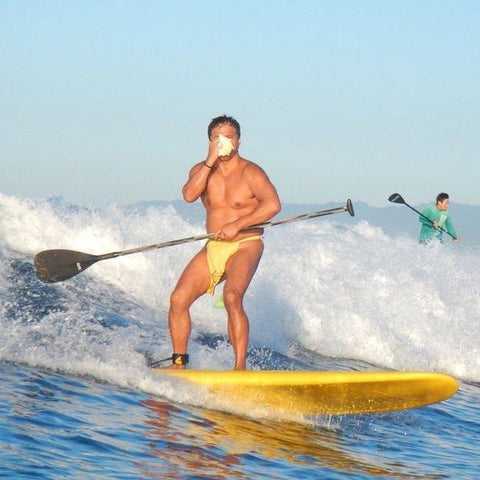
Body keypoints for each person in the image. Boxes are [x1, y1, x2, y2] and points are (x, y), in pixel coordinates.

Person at [166, 115, 281, 370]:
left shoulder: (251, 172)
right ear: (210, 141)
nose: (224, 142)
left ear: (238, 141)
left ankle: (240, 368)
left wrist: (237, 225)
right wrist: (210, 160)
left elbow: (273, 205)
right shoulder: (202, 170)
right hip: (213, 246)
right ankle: (178, 362)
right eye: (218, 138)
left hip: (246, 243)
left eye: (229, 137)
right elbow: (188, 195)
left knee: (231, 296)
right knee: (178, 299)